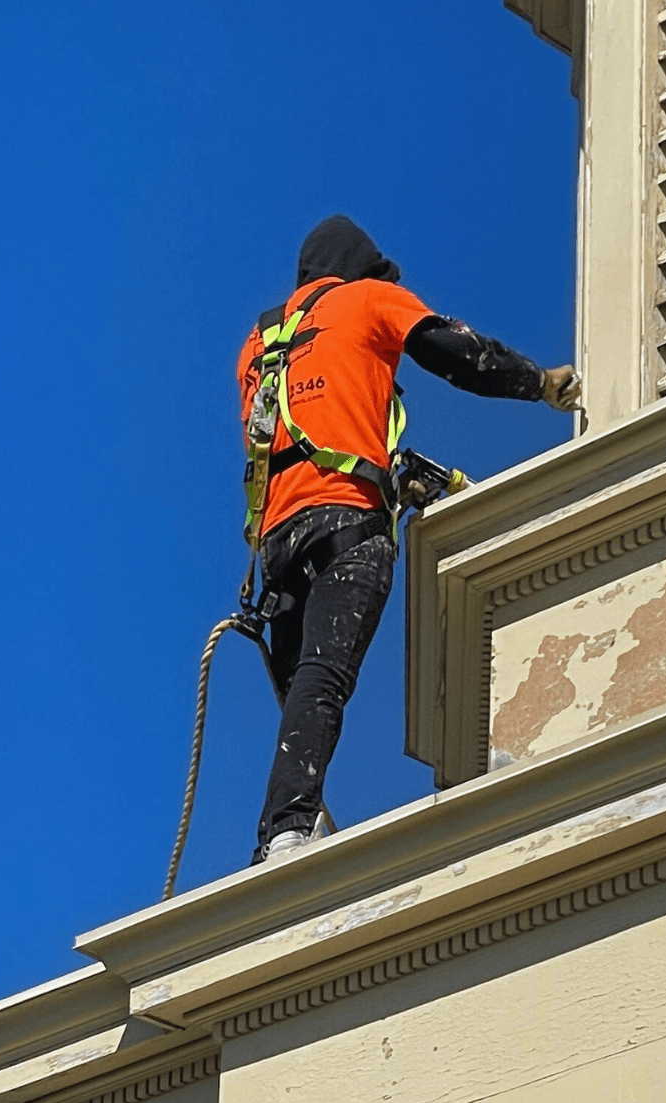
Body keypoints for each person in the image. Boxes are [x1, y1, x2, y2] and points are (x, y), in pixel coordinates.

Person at [237, 215, 578, 863]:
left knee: (306, 689)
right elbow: (458, 352)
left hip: (279, 544)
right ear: (362, 268)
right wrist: (538, 383)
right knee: (325, 676)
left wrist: (399, 473)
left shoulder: (260, 344)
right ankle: (286, 829)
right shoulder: (369, 298)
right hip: (346, 525)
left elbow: (316, 425)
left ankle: (288, 823)